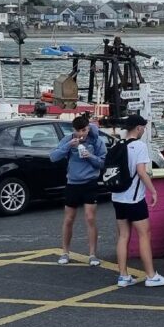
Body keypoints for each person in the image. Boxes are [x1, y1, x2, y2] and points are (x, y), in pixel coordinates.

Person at [111, 114, 164, 288]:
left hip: (117, 197)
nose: (144, 131)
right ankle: (151, 276)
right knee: (144, 235)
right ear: (138, 128)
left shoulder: (118, 145)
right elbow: (141, 172)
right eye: (143, 128)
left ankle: (123, 276)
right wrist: (153, 191)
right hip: (134, 199)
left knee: (123, 236)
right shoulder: (139, 146)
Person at [49, 114, 107, 267]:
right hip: (73, 183)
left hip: (90, 182)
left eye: (84, 130)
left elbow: (103, 163)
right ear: (73, 130)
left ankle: (92, 254)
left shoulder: (96, 141)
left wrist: (90, 156)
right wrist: (69, 146)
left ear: (88, 128)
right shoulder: (68, 139)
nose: (82, 134)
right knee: (69, 219)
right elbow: (53, 157)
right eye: (78, 131)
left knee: (90, 218)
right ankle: (65, 252)